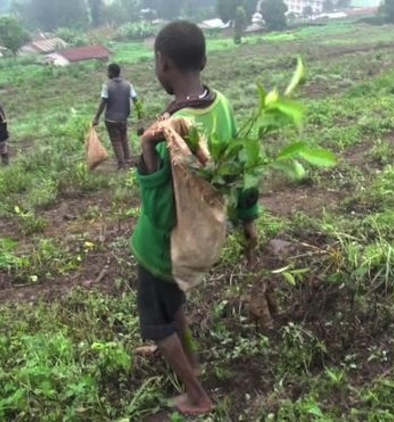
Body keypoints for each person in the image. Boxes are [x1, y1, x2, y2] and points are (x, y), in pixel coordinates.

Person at [131, 21, 259, 416]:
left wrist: (147, 150)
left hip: (163, 249)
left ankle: (197, 393)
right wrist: (248, 218)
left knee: (155, 320)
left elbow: (162, 212)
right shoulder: (221, 106)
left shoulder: (172, 127)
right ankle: (191, 357)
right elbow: (241, 168)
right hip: (201, 241)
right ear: (203, 60)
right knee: (174, 303)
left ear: (162, 63)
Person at [92, 63, 142, 170]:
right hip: (123, 117)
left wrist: (96, 117)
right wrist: (140, 116)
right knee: (124, 137)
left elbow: (103, 102)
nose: (106, 73)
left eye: (107, 71)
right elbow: (136, 100)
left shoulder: (107, 86)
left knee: (116, 141)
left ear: (110, 72)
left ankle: (121, 164)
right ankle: (128, 159)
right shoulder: (128, 85)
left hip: (111, 119)